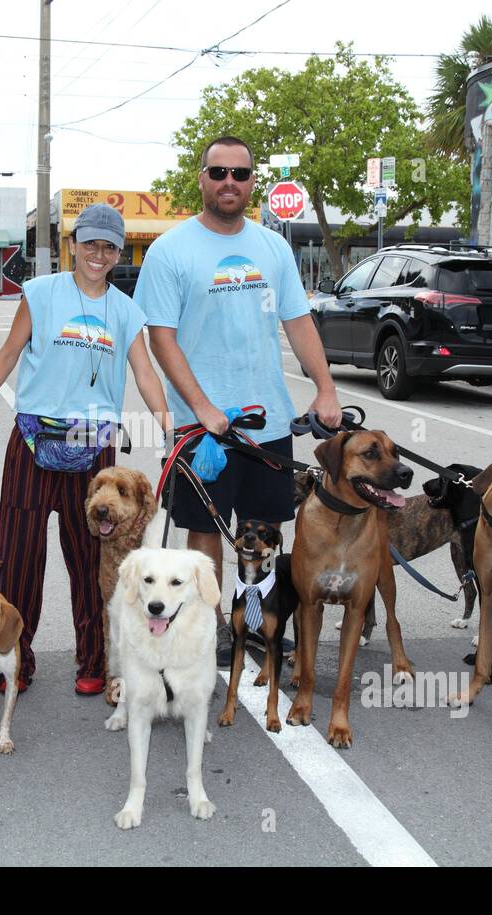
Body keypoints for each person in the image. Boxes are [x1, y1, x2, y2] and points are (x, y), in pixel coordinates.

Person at [135, 135, 342, 665]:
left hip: (267, 422)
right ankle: (211, 629)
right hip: (199, 428)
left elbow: (297, 321)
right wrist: (202, 407)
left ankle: (257, 623)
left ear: (253, 183)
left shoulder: (273, 247)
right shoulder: (170, 250)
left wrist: (324, 387)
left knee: (265, 531)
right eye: (219, 172)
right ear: (202, 178)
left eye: (241, 175)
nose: (230, 182)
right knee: (204, 533)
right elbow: (162, 337)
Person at [0, 203, 172, 696]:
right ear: (72, 245)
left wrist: (168, 428)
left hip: (91, 445)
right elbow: (11, 351)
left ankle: (93, 661)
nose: (98, 254)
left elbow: (144, 373)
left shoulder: (125, 309)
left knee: (89, 560)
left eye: (109, 246)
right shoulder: (39, 294)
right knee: (19, 558)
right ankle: (14, 659)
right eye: (90, 243)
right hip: (34, 438)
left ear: (119, 252)